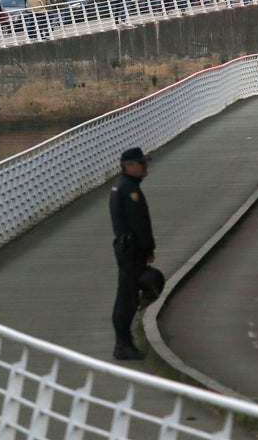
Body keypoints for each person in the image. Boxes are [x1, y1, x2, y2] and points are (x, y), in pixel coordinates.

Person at [109, 146, 156, 361]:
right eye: (141, 164)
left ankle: (125, 341)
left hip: (127, 248)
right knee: (127, 295)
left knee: (130, 292)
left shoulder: (123, 187)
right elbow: (139, 224)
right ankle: (122, 343)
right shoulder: (129, 190)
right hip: (131, 250)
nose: (146, 167)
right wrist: (148, 249)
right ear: (129, 166)